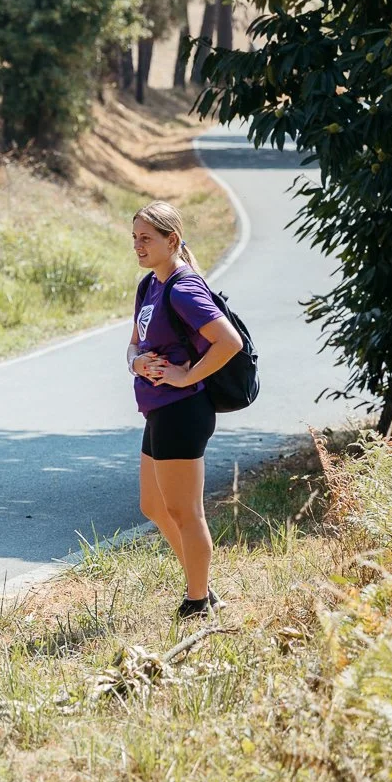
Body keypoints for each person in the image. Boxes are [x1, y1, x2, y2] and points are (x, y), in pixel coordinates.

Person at [128, 200, 244, 619]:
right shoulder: (149, 286)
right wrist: (136, 363)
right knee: (154, 507)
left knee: (184, 510)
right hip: (157, 408)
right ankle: (203, 587)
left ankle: (198, 601)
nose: (138, 246)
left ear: (171, 240)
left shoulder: (183, 287)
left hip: (183, 409)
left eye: (147, 238)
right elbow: (135, 343)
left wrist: (186, 375)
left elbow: (229, 342)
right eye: (135, 238)